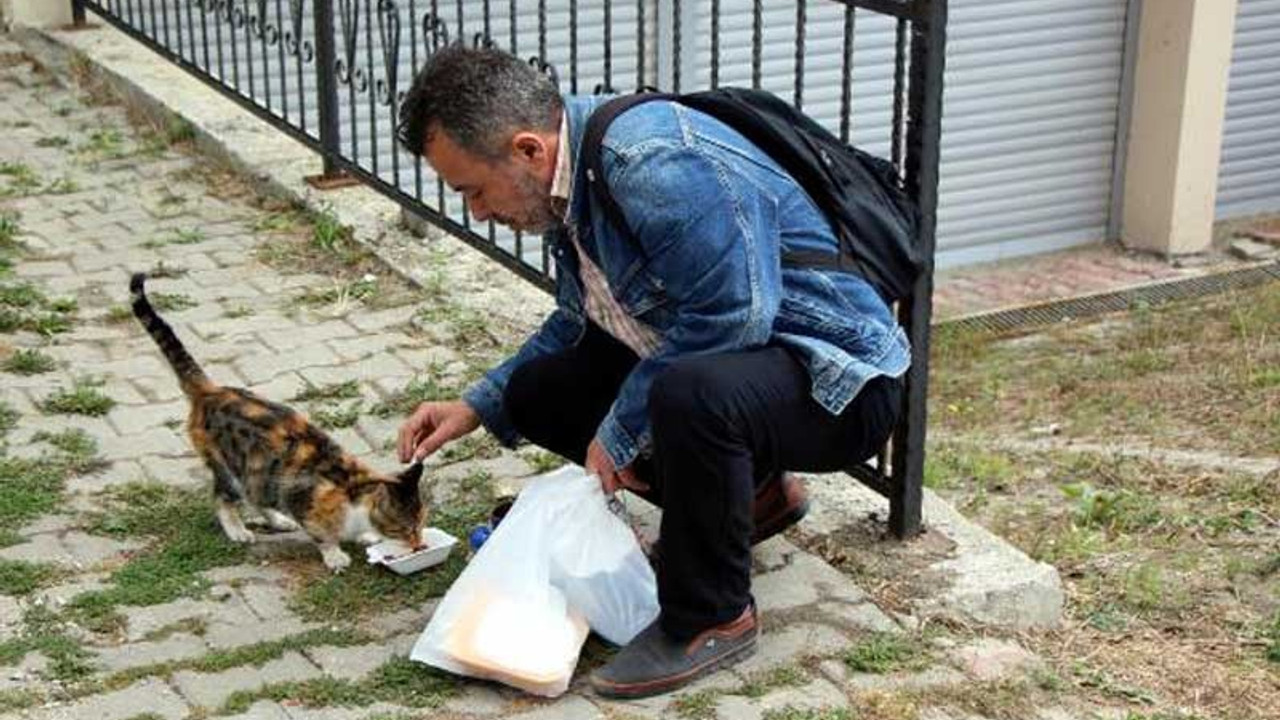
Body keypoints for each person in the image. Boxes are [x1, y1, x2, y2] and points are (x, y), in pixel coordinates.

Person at [394, 44, 908, 698]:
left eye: (472, 189)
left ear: (527, 150)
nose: (477, 211)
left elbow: (735, 315)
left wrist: (619, 430)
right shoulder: (570, 182)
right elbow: (581, 322)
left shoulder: (649, 163)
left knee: (690, 392)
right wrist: (476, 405)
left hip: (839, 383)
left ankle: (712, 614)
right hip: (757, 373)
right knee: (539, 390)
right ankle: (752, 501)